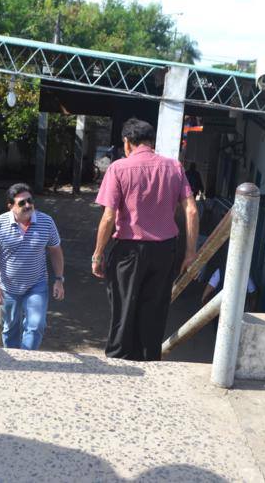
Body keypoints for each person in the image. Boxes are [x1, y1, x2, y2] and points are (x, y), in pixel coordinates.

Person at [92, 118, 199, 361]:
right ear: (151, 142)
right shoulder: (174, 167)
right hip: (165, 251)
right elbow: (191, 210)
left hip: (129, 251)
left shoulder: (118, 169)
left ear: (127, 143)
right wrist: (190, 253)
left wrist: (98, 254)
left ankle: (119, 362)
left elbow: (109, 217)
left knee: (124, 308)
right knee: (155, 310)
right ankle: (149, 361)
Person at [0, 183, 65, 350]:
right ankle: (14, 364)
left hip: (36, 284)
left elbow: (55, 250)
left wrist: (59, 279)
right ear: (10, 206)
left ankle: (27, 361)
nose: (27, 205)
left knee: (36, 325)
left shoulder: (46, 222)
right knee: (11, 328)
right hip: (7, 288)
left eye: (29, 201)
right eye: (22, 203)